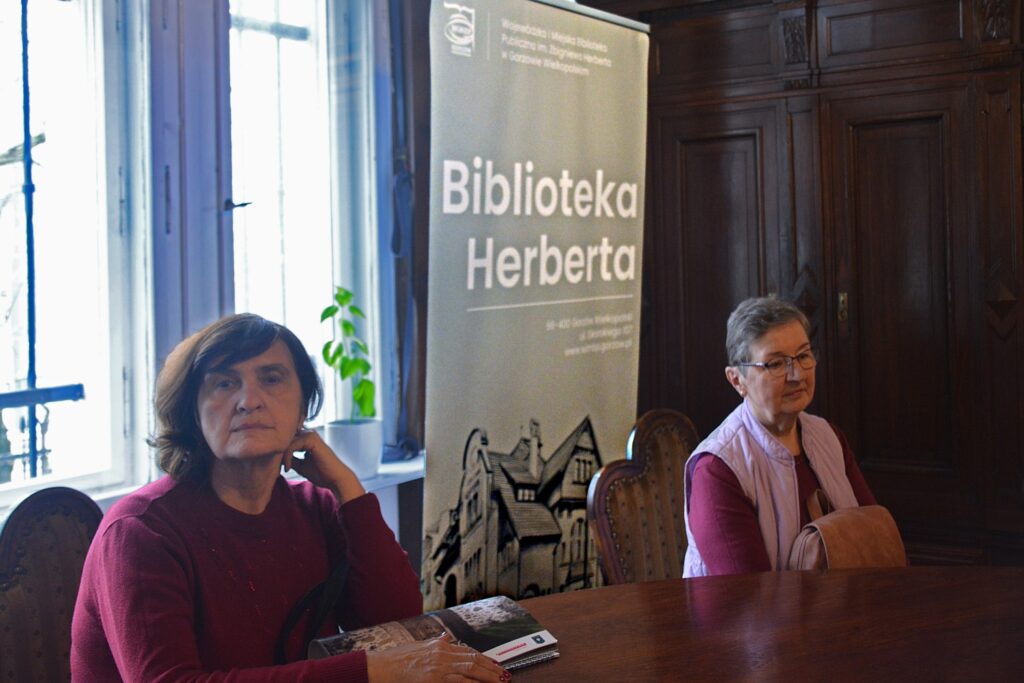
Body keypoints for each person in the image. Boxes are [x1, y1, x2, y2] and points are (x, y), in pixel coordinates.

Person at [72, 314, 510, 682]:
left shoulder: (315, 507)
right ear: (193, 413)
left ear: (303, 407)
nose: (249, 400)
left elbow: (394, 620)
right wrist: (367, 672)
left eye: (272, 378)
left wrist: (348, 489)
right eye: (224, 383)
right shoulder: (139, 532)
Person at [683, 297, 877, 577]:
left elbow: (872, 533)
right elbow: (748, 594)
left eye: (803, 356)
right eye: (775, 364)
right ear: (737, 380)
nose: (796, 375)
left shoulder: (828, 436)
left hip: (845, 600)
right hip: (756, 608)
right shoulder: (717, 469)